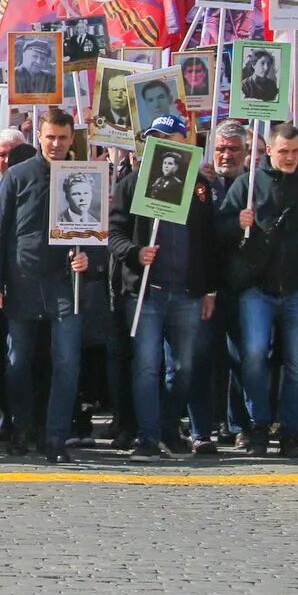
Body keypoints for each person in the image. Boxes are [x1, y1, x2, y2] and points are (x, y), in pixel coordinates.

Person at [215, 120, 298, 457]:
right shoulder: (247, 184)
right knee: (254, 355)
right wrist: (235, 223)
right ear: (269, 150)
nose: (289, 158)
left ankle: (289, 430)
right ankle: (258, 425)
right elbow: (219, 231)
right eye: (282, 151)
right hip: (256, 288)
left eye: (296, 152)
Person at [0, 108, 101, 462]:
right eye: (50, 137)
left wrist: (90, 260)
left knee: (66, 363)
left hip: (66, 285)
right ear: (40, 137)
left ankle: (56, 438)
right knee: (17, 361)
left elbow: (99, 237)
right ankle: (21, 428)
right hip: (22, 281)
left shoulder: (86, 176)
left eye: (63, 138)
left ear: (71, 139)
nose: (56, 144)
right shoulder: (17, 176)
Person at [111, 115, 220, 461]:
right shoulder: (131, 184)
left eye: (169, 138)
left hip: (187, 293)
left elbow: (209, 243)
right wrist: (135, 252)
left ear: (183, 142)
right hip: (147, 291)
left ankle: (169, 429)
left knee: (184, 368)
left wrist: (209, 289)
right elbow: (113, 234)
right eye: (156, 138)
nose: (162, 146)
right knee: (146, 366)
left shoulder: (199, 188)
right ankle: (147, 436)